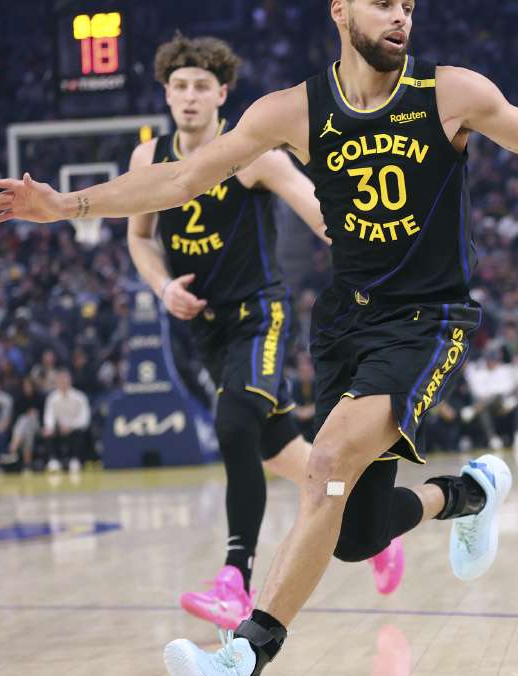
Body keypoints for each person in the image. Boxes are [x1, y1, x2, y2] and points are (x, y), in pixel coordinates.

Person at [0, 1, 518, 676]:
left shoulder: (450, 92)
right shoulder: (292, 110)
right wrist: (65, 206)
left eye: (408, 5)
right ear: (340, 11)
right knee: (354, 533)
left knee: (326, 463)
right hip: (346, 323)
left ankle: (243, 659)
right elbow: (182, 178)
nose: (401, 16)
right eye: (383, 4)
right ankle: (468, 493)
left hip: (426, 319)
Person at [125, 34, 338, 628]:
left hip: (260, 314)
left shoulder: (252, 154)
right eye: (180, 86)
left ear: (222, 94)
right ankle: (369, 513)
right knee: (280, 452)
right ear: (166, 95)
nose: (190, 96)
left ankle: (235, 579)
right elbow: (139, 236)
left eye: (201, 86)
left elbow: (316, 205)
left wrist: (371, 242)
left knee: (232, 423)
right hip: (209, 329)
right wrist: (162, 287)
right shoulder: (149, 160)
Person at [40, 369, 90, 474]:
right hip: (59, 428)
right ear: (57, 383)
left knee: (80, 432)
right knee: (47, 431)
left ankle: (75, 460)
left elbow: (84, 419)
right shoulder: (52, 398)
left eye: (65, 381)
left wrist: (70, 426)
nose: (63, 383)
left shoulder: (80, 397)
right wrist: (51, 427)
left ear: (70, 381)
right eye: (60, 381)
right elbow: (49, 416)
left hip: (75, 429)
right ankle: (53, 460)